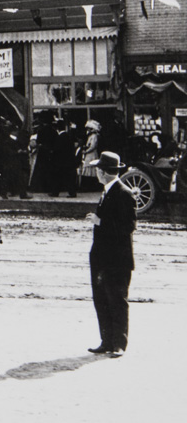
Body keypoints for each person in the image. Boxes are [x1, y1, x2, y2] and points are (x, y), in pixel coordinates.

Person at [88, 151, 136, 356]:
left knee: (116, 300)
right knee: (101, 299)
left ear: (105, 172)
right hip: (102, 257)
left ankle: (118, 343)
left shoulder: (123, 193)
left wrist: (101, 222)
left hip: (117, 260)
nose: (97, 172)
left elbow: (128, 226)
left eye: (98, 169)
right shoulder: (107, 191)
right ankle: (106, 340)